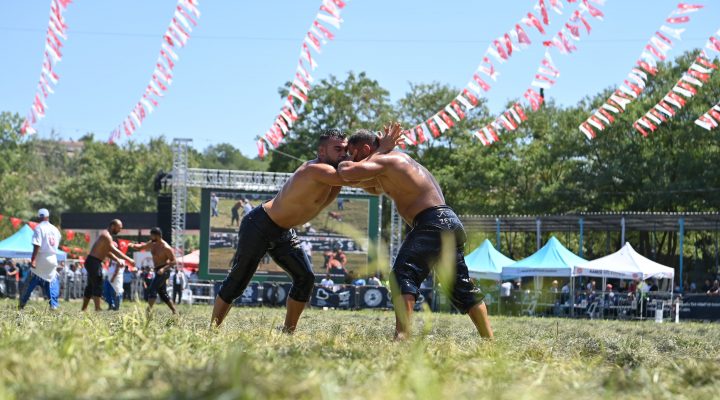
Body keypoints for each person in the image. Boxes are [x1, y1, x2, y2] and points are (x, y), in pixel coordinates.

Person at [210, 128, 396, 332]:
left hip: (283, 231)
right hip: (259, 224)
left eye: (345, 149)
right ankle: (212, 329)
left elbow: (365, 181)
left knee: (305, 278)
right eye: (338, 149)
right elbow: (353, 176)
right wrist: (381, 151)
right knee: (239, 280)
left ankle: (288, 330)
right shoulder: (315, 169)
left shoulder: (337, 172)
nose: (344, 153)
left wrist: (379, 159)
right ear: (322, 151)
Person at [338, 125, 493, 339]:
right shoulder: (389, 165)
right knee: (460, 286)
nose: (349, 158)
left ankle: (402, 335)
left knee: (403, 273)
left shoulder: (388, 159)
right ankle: (489, 339)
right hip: (448, 222)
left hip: (432, 223)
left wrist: (378, 151)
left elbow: (346, 171)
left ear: (365, 149)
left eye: (352, 153)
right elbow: (367, 185)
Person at [81, 220, 135, 311]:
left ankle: (84, 309)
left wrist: (117, 260)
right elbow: (114, 250)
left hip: (93, 262)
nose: (120, 230)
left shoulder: (107, 236)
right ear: (113, 226)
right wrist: (129, 259)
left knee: (90, 286)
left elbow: (108, 252)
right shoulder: (106, 236)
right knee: (98, 284)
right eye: (119, 228)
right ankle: (97, 308)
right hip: (94, 262)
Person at [19, 209, 62, 310]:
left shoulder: (39, 228)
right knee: (51, 281)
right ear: (48, 217)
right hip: (52, 259)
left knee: (30, 282)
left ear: (39, 217)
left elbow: (37, 244)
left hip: (41, 258)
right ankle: (54, 305)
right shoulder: (55, 229)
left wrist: (33, 259)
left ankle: (21, 304)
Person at [128, 227, 177, 314]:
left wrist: (163, 269)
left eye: (152, 236)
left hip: (164, 271)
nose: (150, 238)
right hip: (157, 270)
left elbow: (174, 261)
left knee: (152, 288)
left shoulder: (166, 247)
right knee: (162, 293)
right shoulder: (152, 244)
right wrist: (132, 245)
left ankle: (148, 311)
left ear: (157, 236)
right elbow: (141, 247)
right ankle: (174, 311)